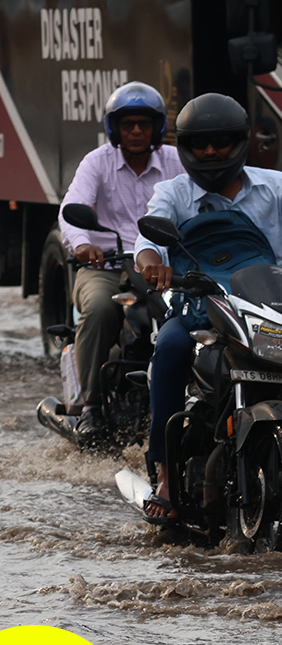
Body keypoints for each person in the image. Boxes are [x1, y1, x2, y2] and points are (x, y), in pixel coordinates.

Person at [134, 93, 282, 523]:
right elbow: (147, 243)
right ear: (186, 148)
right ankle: (165, 475)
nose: (211, 152)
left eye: (221, 141)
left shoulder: (274, 187)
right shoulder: (173, 192)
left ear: (239, 142)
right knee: (171, 349)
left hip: (266, 308)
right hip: (198, 306)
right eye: (201, 144)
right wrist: (153, 266)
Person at [58, 82, 184, 445]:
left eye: (144, 124)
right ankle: (91, 406)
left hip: (164, 270)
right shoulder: (96, 163)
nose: (135, 131)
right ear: (114, 128)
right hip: (107, 268)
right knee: (98, 310)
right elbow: (71, 211)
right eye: (127, 124)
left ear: (157, 127)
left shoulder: (177, 162)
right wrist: (82, 245)